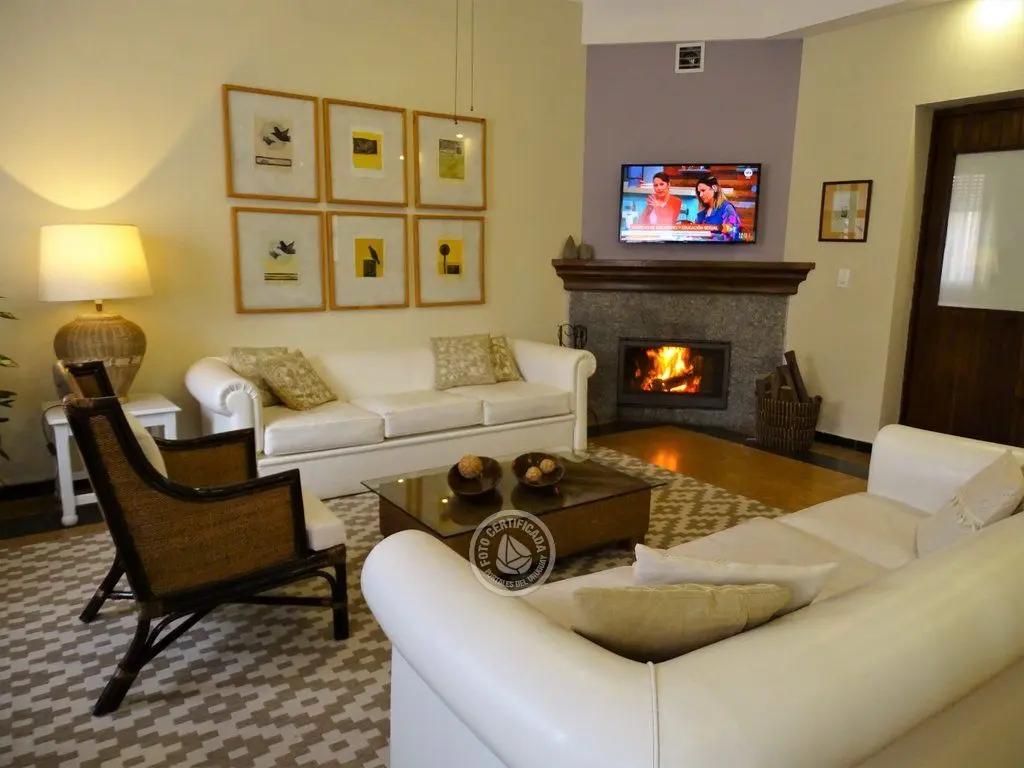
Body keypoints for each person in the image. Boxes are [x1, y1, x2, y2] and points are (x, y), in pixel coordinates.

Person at [694, 174, 742, 241]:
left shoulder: (727, 208)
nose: (701, 195)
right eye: (699, 192)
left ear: (715, 188)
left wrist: (710, 236)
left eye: (703, 190)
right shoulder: (702, 213)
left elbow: (734, 233)